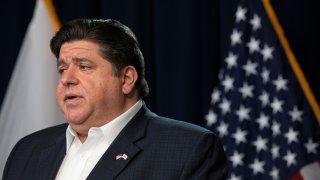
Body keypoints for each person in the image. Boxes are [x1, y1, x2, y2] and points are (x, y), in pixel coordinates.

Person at [2, 18, 228, 180]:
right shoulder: (28, 150)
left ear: (127, 78)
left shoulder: (188, 149)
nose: (66, 79)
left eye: (84, 67)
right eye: (62, 69)